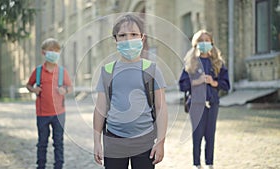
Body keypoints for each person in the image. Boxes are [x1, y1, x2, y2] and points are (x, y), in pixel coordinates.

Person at [93, 14, 168, 169]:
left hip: (144, 141)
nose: (128, 40)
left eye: (134, 34)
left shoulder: (151, 69)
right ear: (115, 40)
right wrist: (96, 142)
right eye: (122, 35)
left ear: (142, 38)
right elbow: (100, 108)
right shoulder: (108, 71)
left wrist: (160, 142)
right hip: (114, 141)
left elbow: (161, 107)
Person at [179, 29, 230, 169]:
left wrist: (214, 83)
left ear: (211, 43)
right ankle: (196, 164)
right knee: (197, 134)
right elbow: (182, 85)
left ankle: (209, 163)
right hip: (196, 104)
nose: (204, 43)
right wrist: (197, 81)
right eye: (200, 41)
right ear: (196, 44)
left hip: (212, 103)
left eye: (207, 40)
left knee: (210, 134)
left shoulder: (218, 63)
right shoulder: (191, 62)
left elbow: (226, 85)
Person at [26, 38, 72, 169]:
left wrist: (65, 90)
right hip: (42, 114)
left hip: (59, 114)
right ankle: (40, 165)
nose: (54, 53)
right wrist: (33, 89)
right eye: (51, 50)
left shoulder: (62, 72)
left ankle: (59, 165)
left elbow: (70, 87)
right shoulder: (38, 71)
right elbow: (29, 84)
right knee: (42, 142)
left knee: (58, 142)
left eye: (57, 51)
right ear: (43, 53)